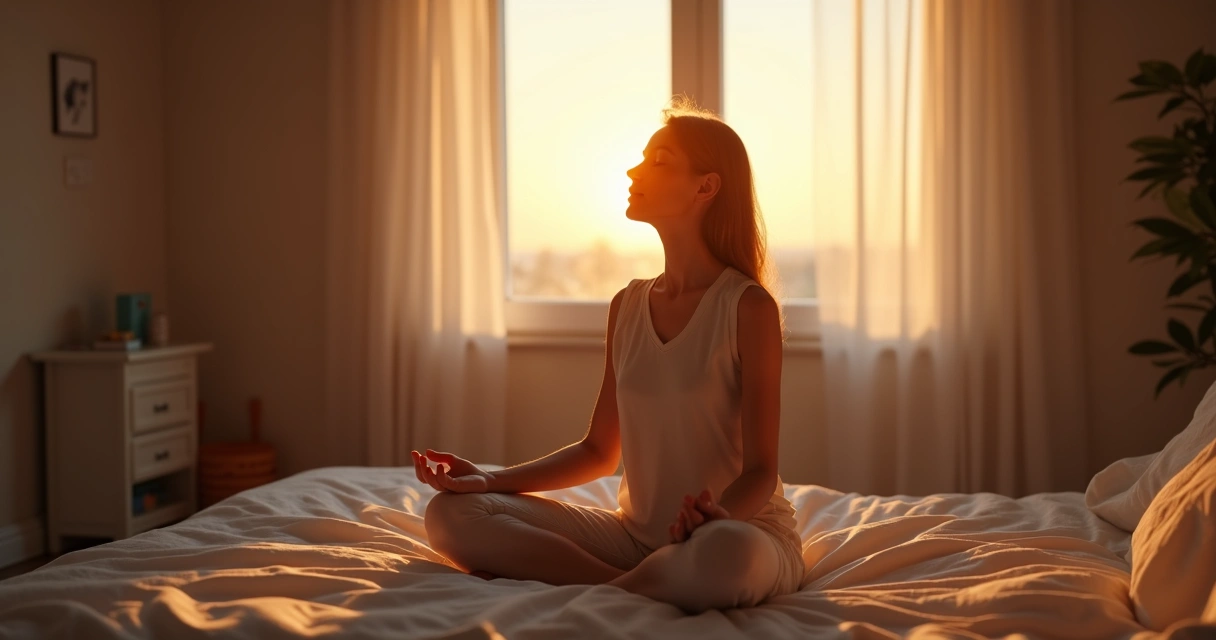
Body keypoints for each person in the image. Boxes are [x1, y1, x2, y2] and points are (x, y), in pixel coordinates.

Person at [416, 98, 804, 614]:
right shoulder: (628, 305)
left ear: (706, 187)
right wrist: (489, 480)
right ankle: (632, 584)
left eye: (658, 161)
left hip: (738, 532)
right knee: (451, 514)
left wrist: (716, 519)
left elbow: (760, 471)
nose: (634, 171)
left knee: (724, 556)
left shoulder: (747, 307)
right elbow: (599, 451)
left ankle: (631, 581)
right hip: (636, 541)